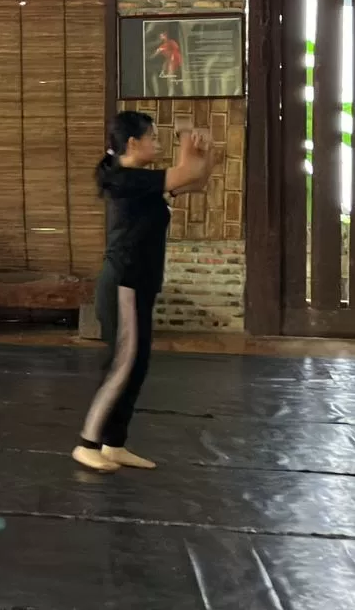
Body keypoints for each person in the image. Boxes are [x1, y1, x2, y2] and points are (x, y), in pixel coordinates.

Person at [74, 111, 211, 473]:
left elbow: (196, 180)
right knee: (121, 366)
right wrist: (184, 136)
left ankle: (113, 444)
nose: (157, 142)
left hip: (140, 284)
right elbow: (184, 171)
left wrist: (204, 153)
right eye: (152, 136)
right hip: (124, 283)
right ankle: (88, 442)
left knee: (137, 366)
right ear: (133, 143)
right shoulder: (124, 179)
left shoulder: (142, 181)